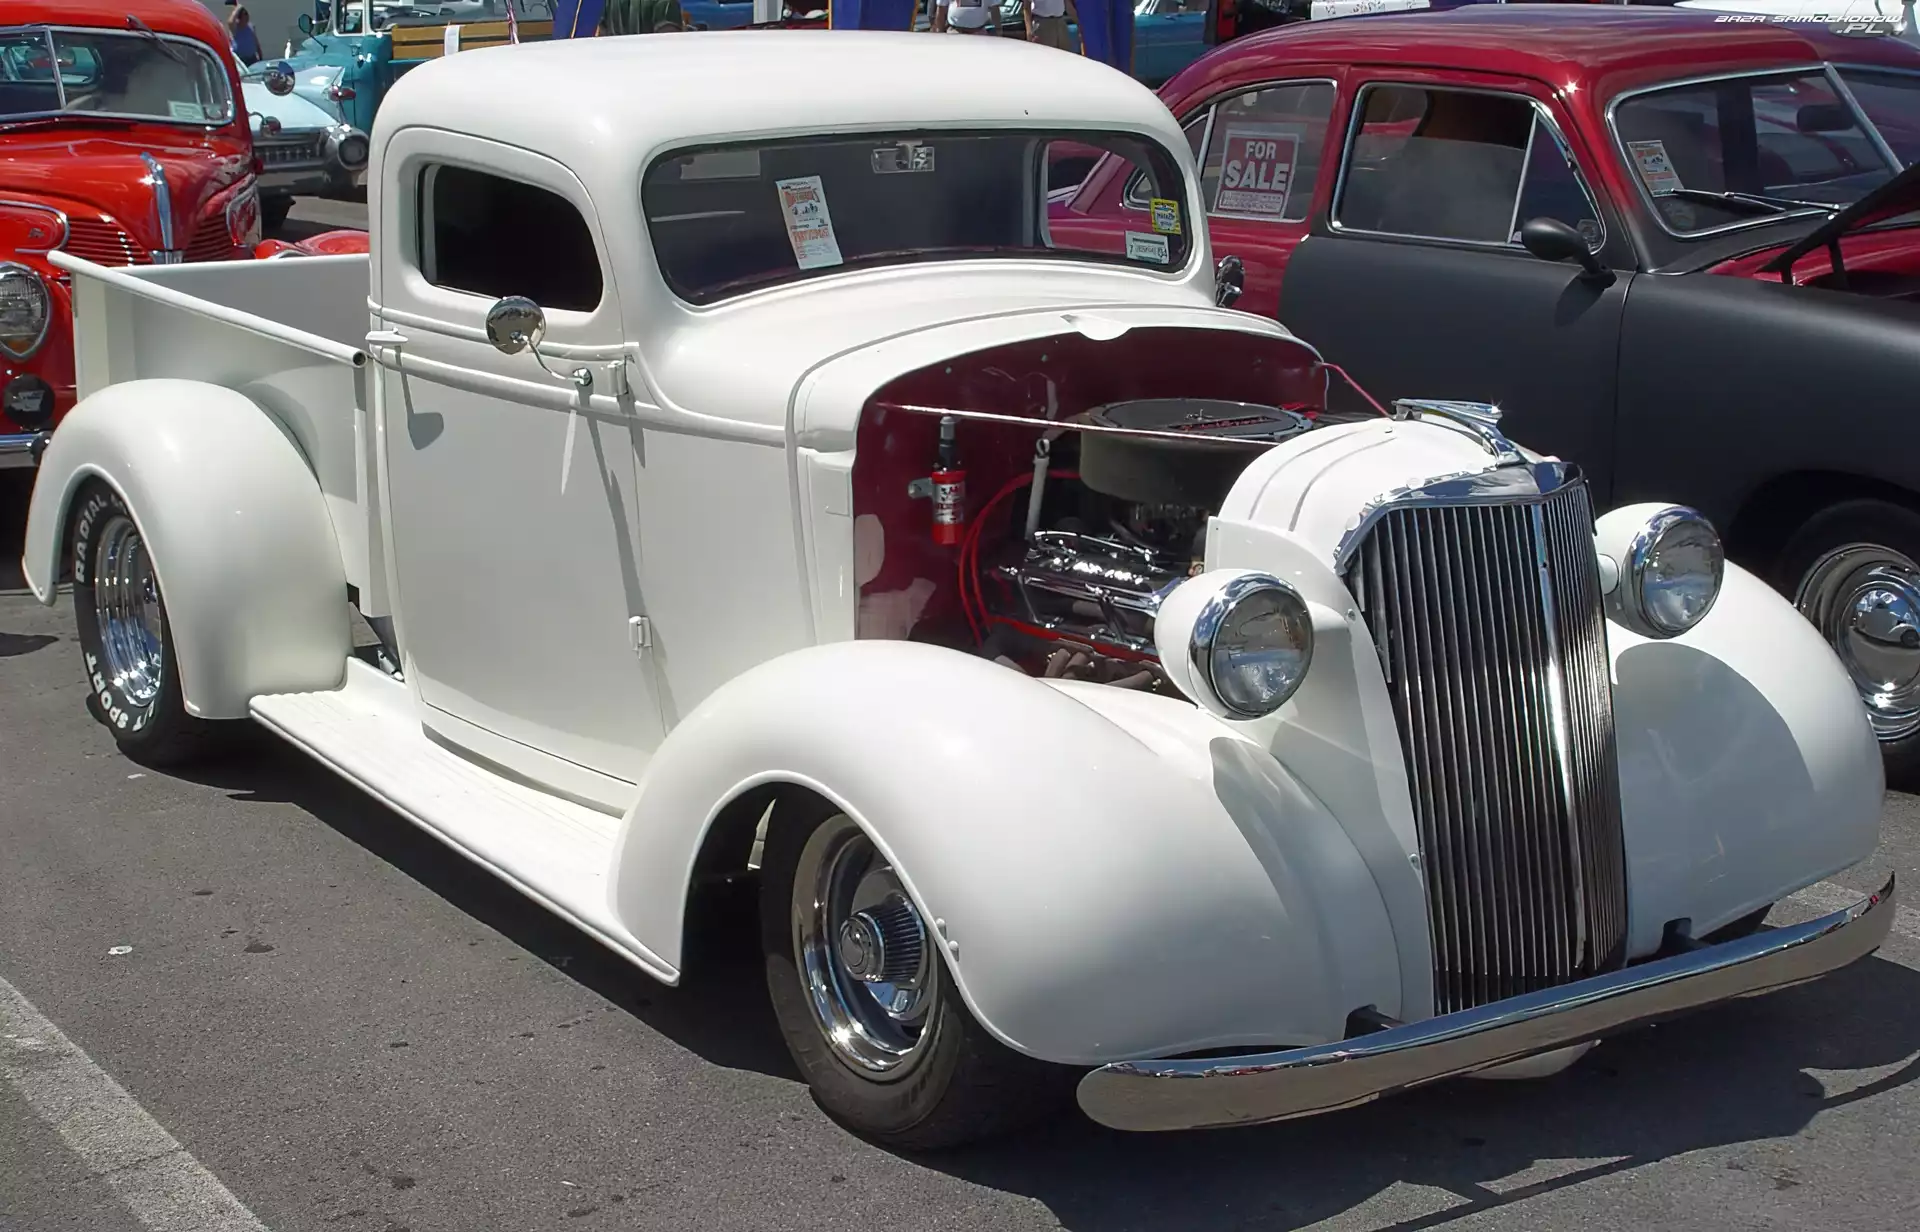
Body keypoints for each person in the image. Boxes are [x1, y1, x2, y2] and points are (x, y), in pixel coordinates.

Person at [932, 0, 997, 34]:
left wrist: (998, 29)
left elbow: (995, 8)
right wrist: (939, 31)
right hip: (955, 32)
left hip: (979, 32)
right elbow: (941, 8)